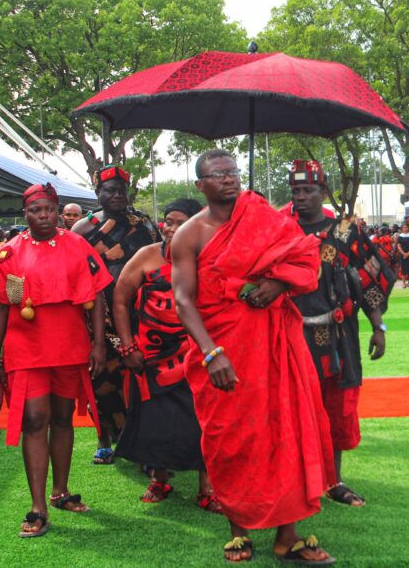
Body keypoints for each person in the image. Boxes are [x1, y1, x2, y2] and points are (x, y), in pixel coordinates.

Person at [170, 149, 336, 564]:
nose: (228, 179)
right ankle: (238, 532)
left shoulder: (264, 216)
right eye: (216, 174)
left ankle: (288, 536)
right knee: (230, 439)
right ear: (200, 185)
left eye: (232, 172)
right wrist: (212, 355)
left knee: (285, 429)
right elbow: (182, 300)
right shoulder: (189, 234)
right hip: (222, 348)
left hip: (272, 341)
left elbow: (304, 257)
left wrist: (278, 287)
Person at [0, 183, 112, 539]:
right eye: (36, 211)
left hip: (69, 345)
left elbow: (97, 296)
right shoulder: (8, 254)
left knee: (64, 417)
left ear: (58, 211)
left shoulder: (77, 244)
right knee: (35, 420)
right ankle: (37, 507)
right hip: (26, 349)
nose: (44, 216)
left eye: (50, 210)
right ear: (25, 214)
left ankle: (61, 492)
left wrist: (99, 344)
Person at [286, 160, 394, 507]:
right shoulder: (279, 229)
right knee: (290, 407)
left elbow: (370, 277)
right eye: (296, 191)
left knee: (335, 406)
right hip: (288, 334)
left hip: (337, 335)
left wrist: (378, 327)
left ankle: (333, 480)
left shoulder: (347, 231)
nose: (301, 197)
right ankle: (295, 478)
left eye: (309, 191)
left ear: (323, 191)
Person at [112, 198, 223, 514]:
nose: (171, 228)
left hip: (196, 352)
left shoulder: (208, 258)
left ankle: (208, 488)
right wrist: (128, 346)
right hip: (150, 355)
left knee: (202, 419)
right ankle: (159, 479)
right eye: (168, 221)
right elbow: (120, 300)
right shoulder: (146, 256)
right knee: (154, 421)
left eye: (179, 222)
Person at [72, 164, 159, 465]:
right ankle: (104, 438)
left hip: (140, 313)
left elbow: (158, 262)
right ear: (98, 193)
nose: (117, 195)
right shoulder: (82, 229)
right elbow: (77, 276)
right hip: (98, 315)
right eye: (110, 190)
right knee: (102, 380)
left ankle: (144, 444)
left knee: (140, 379)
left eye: (122, 190)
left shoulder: (144, 224)